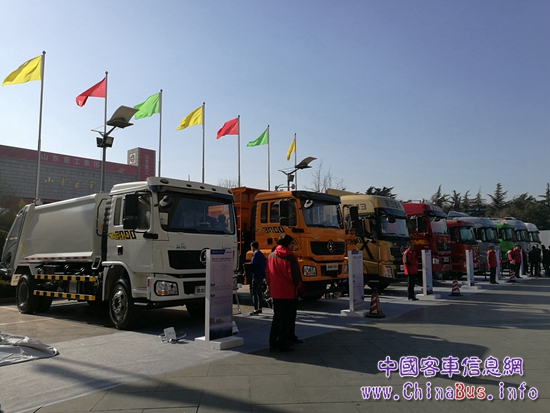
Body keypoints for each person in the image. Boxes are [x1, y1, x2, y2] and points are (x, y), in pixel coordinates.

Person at [266, 234, 301, 352]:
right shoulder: (290, 257)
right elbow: (294, 277)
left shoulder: (271, 256)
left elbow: (268, 274)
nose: (293, 245)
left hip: (276, 292)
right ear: (288, 244)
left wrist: (271, 287)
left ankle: (273, 341)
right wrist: (297, 286)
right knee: (287, 318)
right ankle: (283, 341)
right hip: (288, 292)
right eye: (292, 243)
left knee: (277, 317)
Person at [249, 241, 266, 315]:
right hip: (261, 274)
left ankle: (256, 308)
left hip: (256, 274)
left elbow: (254, 264)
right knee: (259, 292)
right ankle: (260, 308)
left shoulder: (255, 254)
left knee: (254, 292)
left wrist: (248, 266)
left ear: (253, 247)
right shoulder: (261, 254)